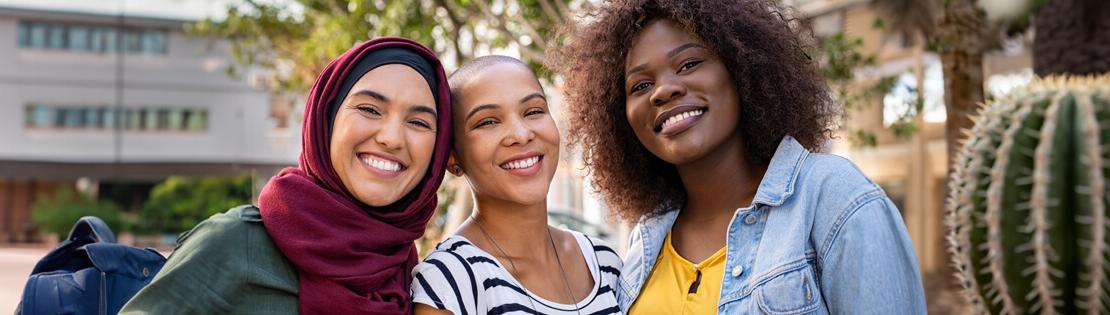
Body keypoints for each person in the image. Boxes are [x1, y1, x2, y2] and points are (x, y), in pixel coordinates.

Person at [552, 0, 928, 313]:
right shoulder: (646, 241)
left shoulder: (834, 198)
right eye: (641, 85)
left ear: (742, 68)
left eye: (689, 64)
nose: (663, 91)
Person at [120, 37, 453, 314]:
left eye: (419, 122)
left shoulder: (416, 277)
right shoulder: (235, 244)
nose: (392, 138)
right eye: (369, 109)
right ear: (326, 119)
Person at [411, 56, 622, 315]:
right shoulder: (449, 280)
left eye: (533, 111)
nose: (521, 135)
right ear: (452, 157)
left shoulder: (603, 261)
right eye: (488, 121)